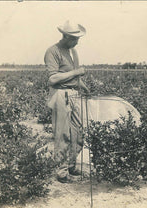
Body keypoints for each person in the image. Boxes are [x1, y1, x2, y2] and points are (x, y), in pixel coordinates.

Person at [44, 20, 90, 183]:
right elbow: (53, 79)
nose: (77, 41)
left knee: (78, 132)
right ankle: (62, 172)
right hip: (60, 94)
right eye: (74, 38)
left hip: (74, 94)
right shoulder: (53, 51)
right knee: (62, 133)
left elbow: (73, 76)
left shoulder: (73, 52)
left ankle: (71, 165)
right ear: (65, 36)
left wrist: (83, 86)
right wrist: (77, 72)